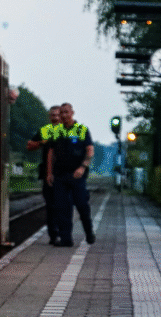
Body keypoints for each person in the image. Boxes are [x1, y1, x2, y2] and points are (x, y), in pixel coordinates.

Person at [46, 102, 95, 246]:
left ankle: (89, 232)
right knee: (62, 207)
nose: (64, 115)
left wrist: (83, 167)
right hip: (60, 175)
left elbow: (90, 150)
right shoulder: (56, 131)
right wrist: (49, 173)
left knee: (81, 205)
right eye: (61, 113)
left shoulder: (82, 130)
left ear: (72, 113)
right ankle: (66, 239)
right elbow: (51, 152)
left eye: (66, 112)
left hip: (77, 176)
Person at [27, 106, 62, 244]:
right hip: (47, 173)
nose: (55, 117)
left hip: (63, 173)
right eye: (53, 115)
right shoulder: (45, 130)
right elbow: (29, 145)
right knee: (51, 205)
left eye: (57, 115)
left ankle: (59, 231)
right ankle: (54, 234)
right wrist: (42, 142)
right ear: (49, 116)